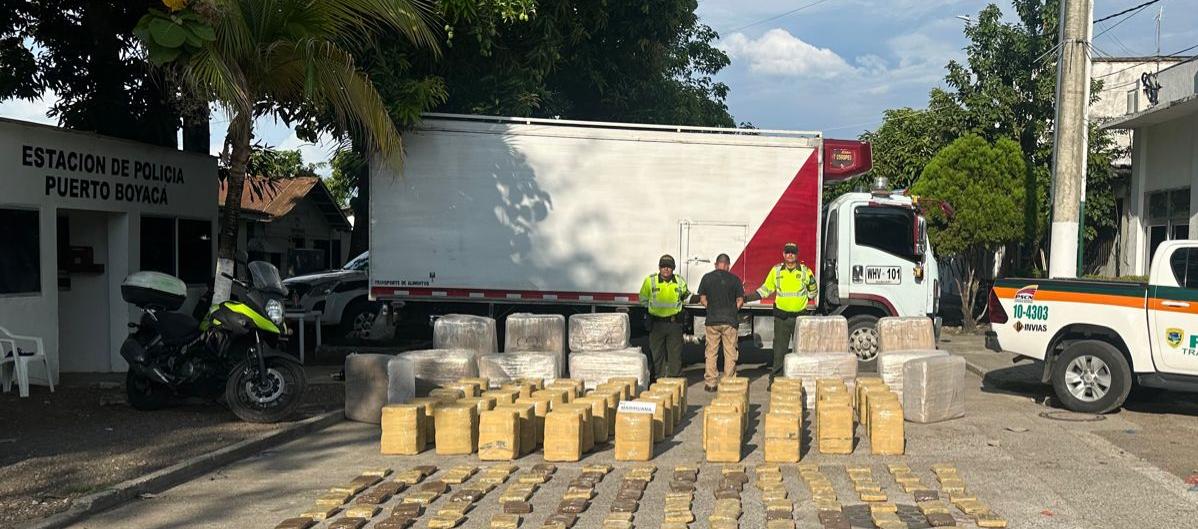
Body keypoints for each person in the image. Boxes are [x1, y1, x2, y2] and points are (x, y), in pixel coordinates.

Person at [743, 242, 818, 381]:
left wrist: (806, 299)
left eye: (793, 252)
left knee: (801, 351)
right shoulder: (776, 271)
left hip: (800, 318)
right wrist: (746, 298)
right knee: (779, 351)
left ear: (797, 254)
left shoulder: (805, 271)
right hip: (781, 318)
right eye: (788, 252)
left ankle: (800, 380)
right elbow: (765, 290)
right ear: (783, 254)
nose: (790, 255)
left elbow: (814, 289)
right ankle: (776, 381)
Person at [697, 253, 744, 391]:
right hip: (730, 321)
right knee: (730, 352)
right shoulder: (735, 279)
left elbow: (702, 299)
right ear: (728, 266)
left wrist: (710, 308)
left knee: (711, 352)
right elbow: (740, 300)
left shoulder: (707, 278)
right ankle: (728, 383)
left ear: (716, 264)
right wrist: (732, 310)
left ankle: (711, 383)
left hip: (712, 320)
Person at [639, 254, 689, 380]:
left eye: (669, 267)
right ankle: (658, 379)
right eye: (663, 266)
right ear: (659, 267)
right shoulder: (650, 281)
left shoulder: (680, 281)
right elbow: (643, 299)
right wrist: (651, 312)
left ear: (673, 268)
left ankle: (674, 380)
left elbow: (686, 296)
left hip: (674, 324)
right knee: (657, 354)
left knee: (675, 355)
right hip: (656, 324)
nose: (666, 269)